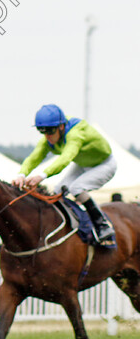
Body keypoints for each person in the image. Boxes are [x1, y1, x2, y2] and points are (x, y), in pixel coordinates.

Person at [12, 104, 116, 245]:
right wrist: (21, 175)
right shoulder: (51, 135)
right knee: (57, 192)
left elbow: (65, 159)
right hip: (83, 164)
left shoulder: (76, 134)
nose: (47, 136)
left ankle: (102, 225)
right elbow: (34, 157)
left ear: (61, 127)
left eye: (50, 131)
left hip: (104, 165)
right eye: (43, 132)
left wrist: (41, 176)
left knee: (76, 189)